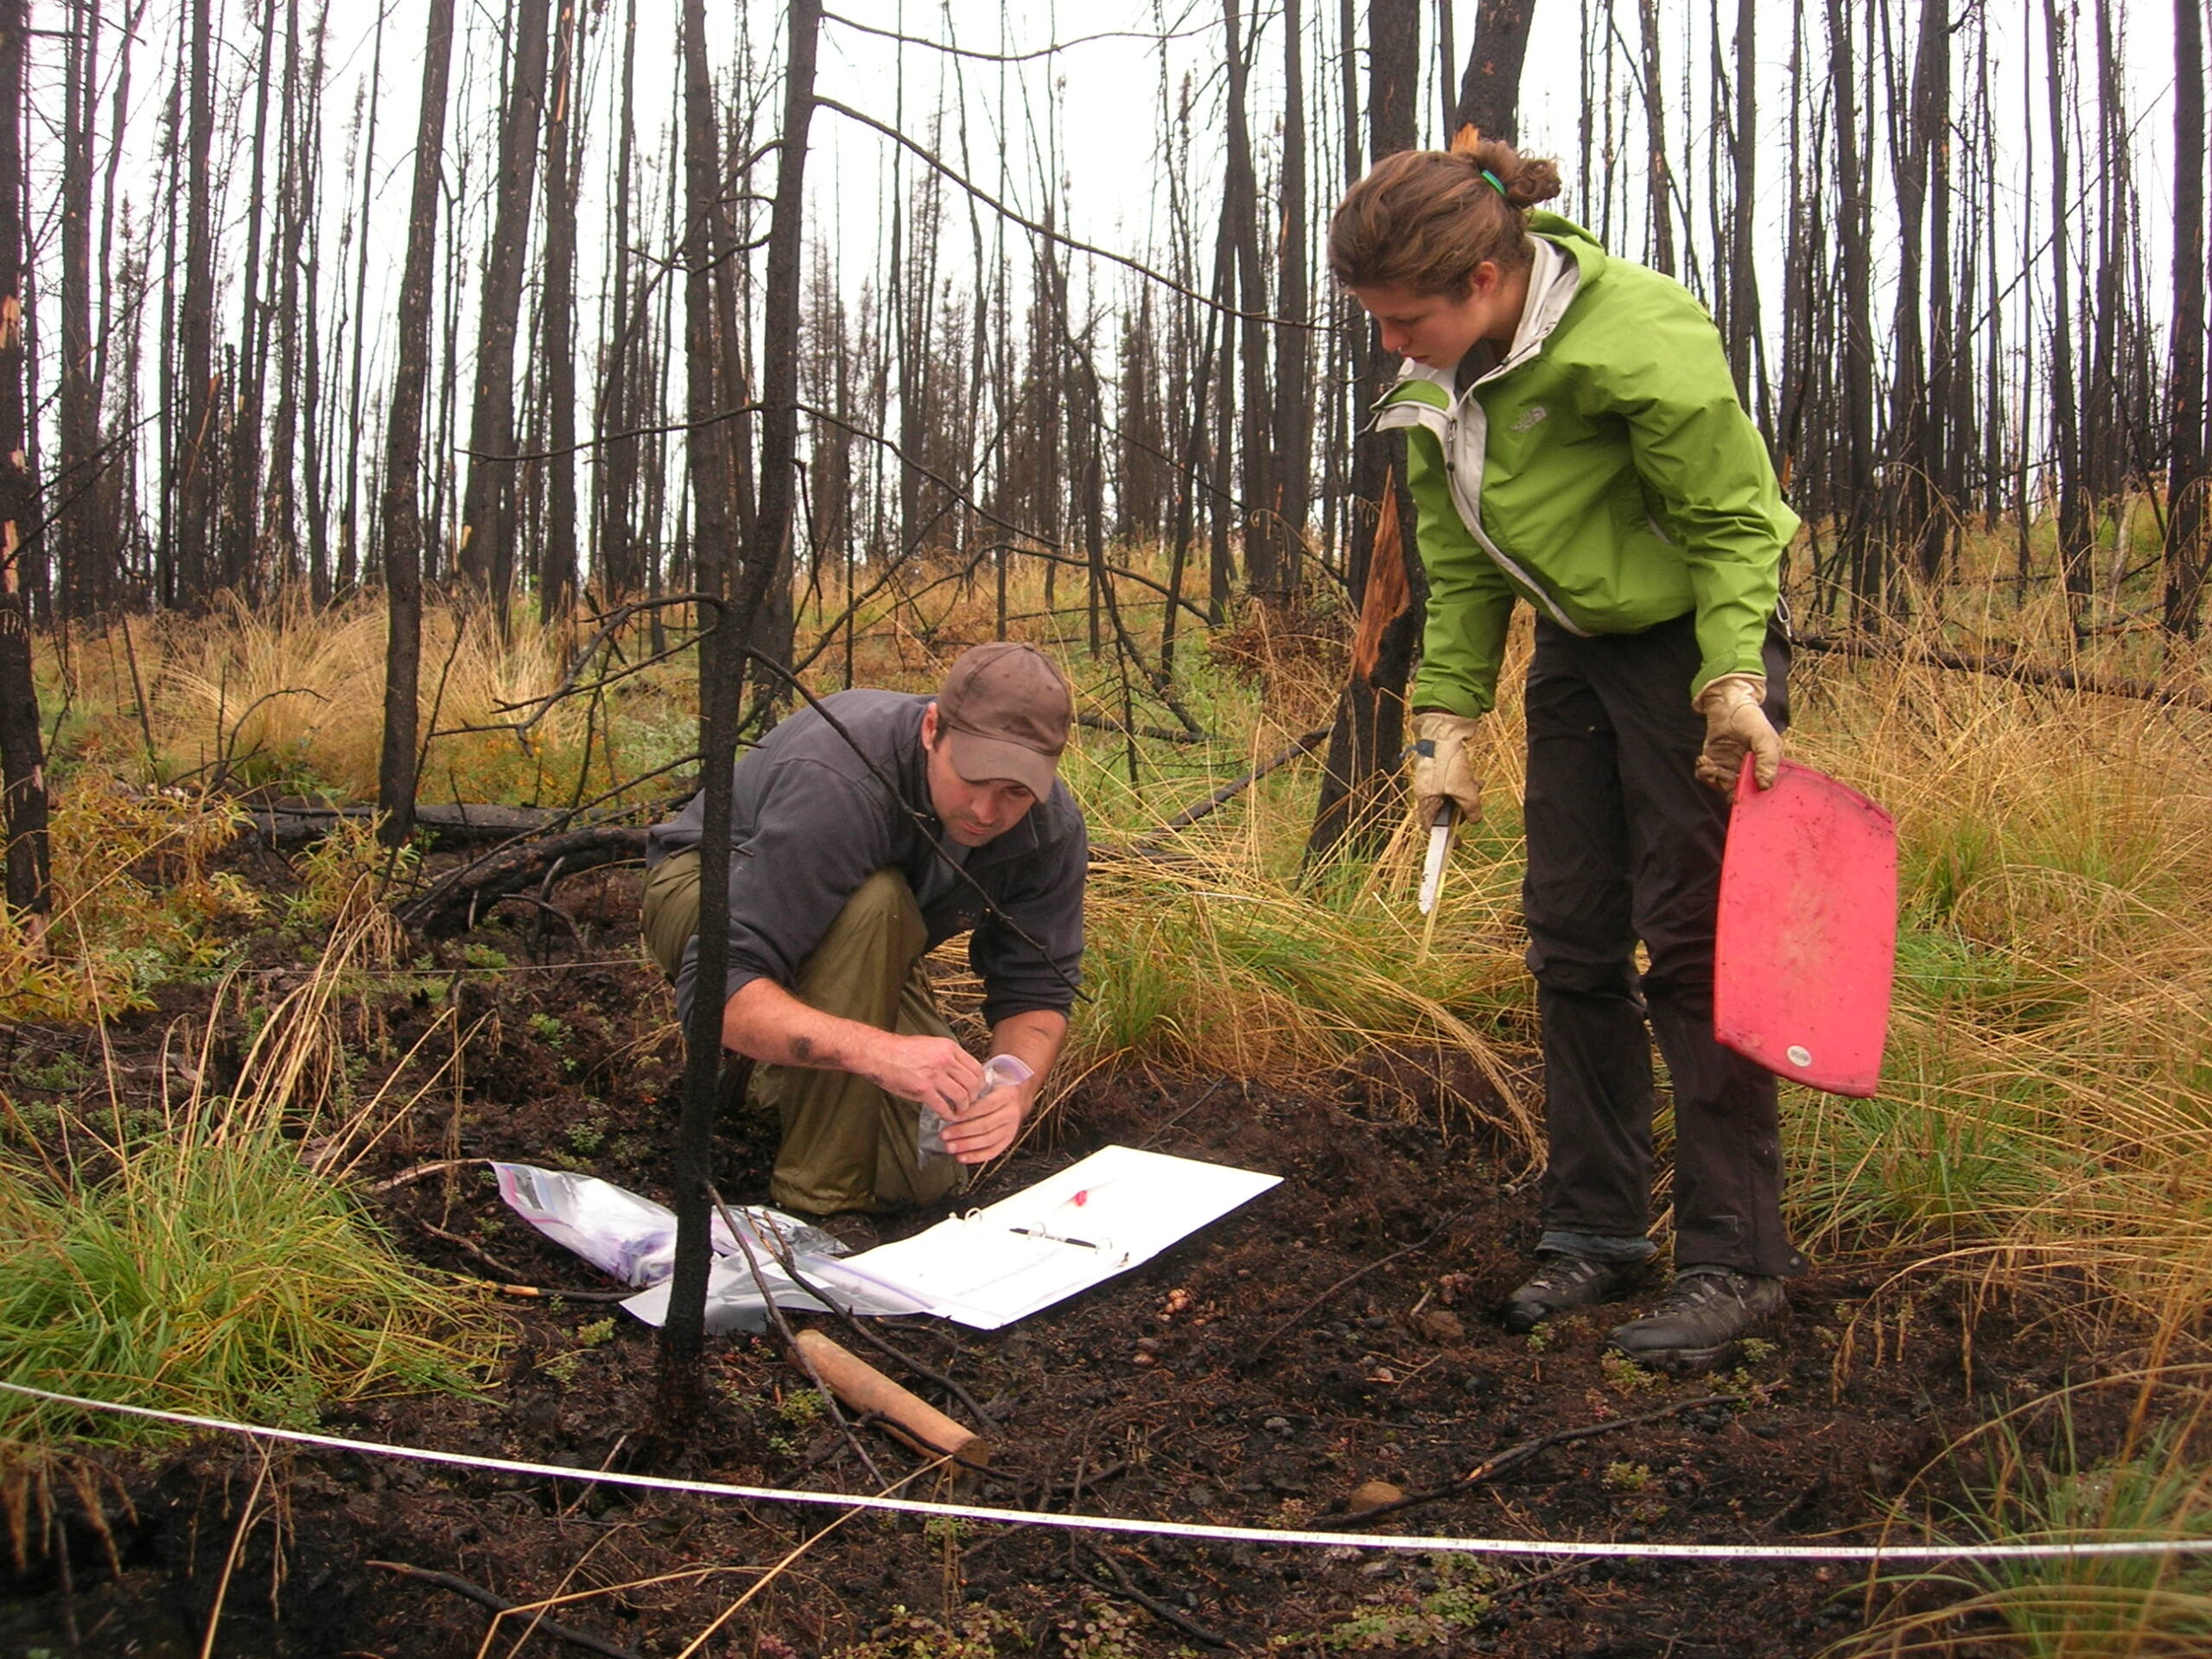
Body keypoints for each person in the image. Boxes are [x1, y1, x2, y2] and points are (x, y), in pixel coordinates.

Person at [1328, 130, 1805, 1372]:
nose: (1389, 342)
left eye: (1402, 317)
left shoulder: (1634, 333)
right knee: (1573, 936)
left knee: (1693, 943)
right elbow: (1459, 558)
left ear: (1483, 283)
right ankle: (1596, 1231)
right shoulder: (1438, 378)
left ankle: (1736, 1260)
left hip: (1694, 644)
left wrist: (1735, 676)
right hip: (1584, 647)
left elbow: (1732, 516)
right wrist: (1446, 717)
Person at [639, 642, 1086, 1226]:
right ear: (932, 729)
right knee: (877, 901)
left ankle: (770, 1076)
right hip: (709, 892)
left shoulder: (1049, 828)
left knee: (924, 1174)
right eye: (972, 777)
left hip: (864, 940)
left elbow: (1038, 990)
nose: (985, 810)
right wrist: (878, 1052)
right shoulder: (840, 778)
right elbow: (717, 984)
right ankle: (823, 1205)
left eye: (1016, 792)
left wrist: (1014, 1087)